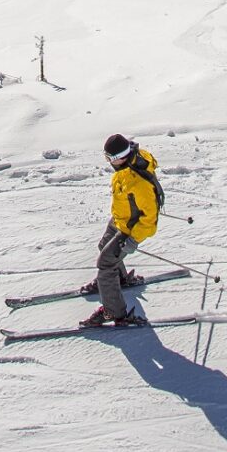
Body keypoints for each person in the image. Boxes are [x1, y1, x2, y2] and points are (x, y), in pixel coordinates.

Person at [82, 132, 163, 328]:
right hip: (120, 219)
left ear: (118, 158)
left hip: (130, 228)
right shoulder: (130, 162)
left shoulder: (138, 180)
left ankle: (114, 312)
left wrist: (133, 239)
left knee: (106, 264)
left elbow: (150, 220)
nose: (108, 162)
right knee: (103, 246)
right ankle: (119, 280)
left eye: (109, 159)